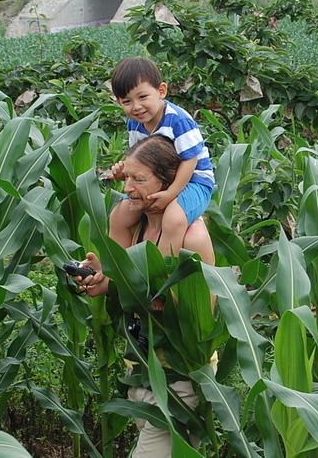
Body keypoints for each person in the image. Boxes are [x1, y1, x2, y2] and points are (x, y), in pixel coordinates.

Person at [75, 135, 215, 456]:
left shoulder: (191, 238)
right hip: (139, 370)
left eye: (139, 180)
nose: (127, 188)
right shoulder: (134, 224)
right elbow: (125, 283)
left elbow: (202, 319)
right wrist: (103, 278)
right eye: (128, 178)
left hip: (179, 380)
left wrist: (156, 295)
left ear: (169, 183)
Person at [107, 57, 214, 259]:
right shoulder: (135, 124)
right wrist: (124, 172)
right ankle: (119, 270)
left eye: (143, 97)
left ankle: (162, 271)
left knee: (173, 219)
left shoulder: (178, 120)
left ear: (161, 91)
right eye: (127, 101)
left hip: (195, 180)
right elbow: (138, 160)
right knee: (119, 216)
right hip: (161, 181)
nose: (136, 107)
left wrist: (171, 193)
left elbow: (190, 161)